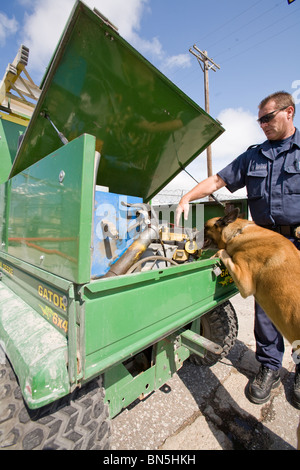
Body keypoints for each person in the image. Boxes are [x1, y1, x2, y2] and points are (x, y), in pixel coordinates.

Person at [176, 91, 300, 409]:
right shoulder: (253, 156)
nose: (262, 125)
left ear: (289, 112)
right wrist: (186, 197)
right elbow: (218, 180)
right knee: (267, 311)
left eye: (267, 118)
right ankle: (269, 367)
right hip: (265, 245)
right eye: (259, 119)